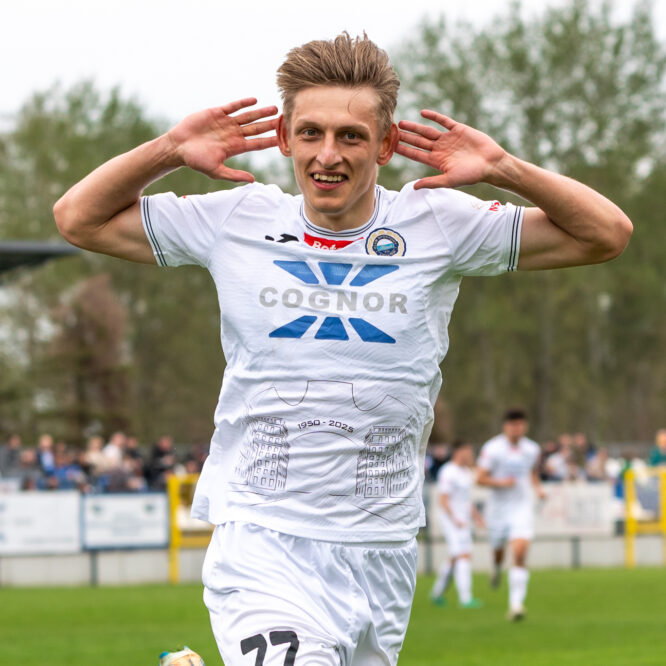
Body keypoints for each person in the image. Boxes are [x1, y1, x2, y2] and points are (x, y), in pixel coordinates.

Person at [54, 32, 631, 666]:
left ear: (385, 144)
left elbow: (605, 234)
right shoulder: (237, 219)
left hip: (383, 550)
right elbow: (78, 218)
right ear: (284, 138)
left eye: (350, 136)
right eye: (311, 133)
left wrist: (503, 168)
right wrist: (168, 150)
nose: (327, 155)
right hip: (266, 540)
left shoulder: (440, 222)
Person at [477, 408, 545, 621]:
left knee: (520, 551)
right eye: (513, 424)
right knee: (499, 551)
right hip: (498, 510)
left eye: (520, 424)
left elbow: (532, 472)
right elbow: (480, 478)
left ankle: (516, 605)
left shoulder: (532, 449)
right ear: (505, 426)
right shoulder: (492, 448)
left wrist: (538, 488)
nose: (517, 428)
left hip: (521, 507)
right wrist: (501, 483)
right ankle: (497, 567)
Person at [430, 440, 484, 609]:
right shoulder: (448, 471)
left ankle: (436, 593)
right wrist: (454, 520)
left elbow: (466, 500)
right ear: (459, 452)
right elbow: (443, 500)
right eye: (468, 451)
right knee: (463, 555)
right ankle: (465, 598)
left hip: (462, 520)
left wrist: (477, 517)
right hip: (451, 520)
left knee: (455, 557)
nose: (471, 454)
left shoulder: (466, 472)